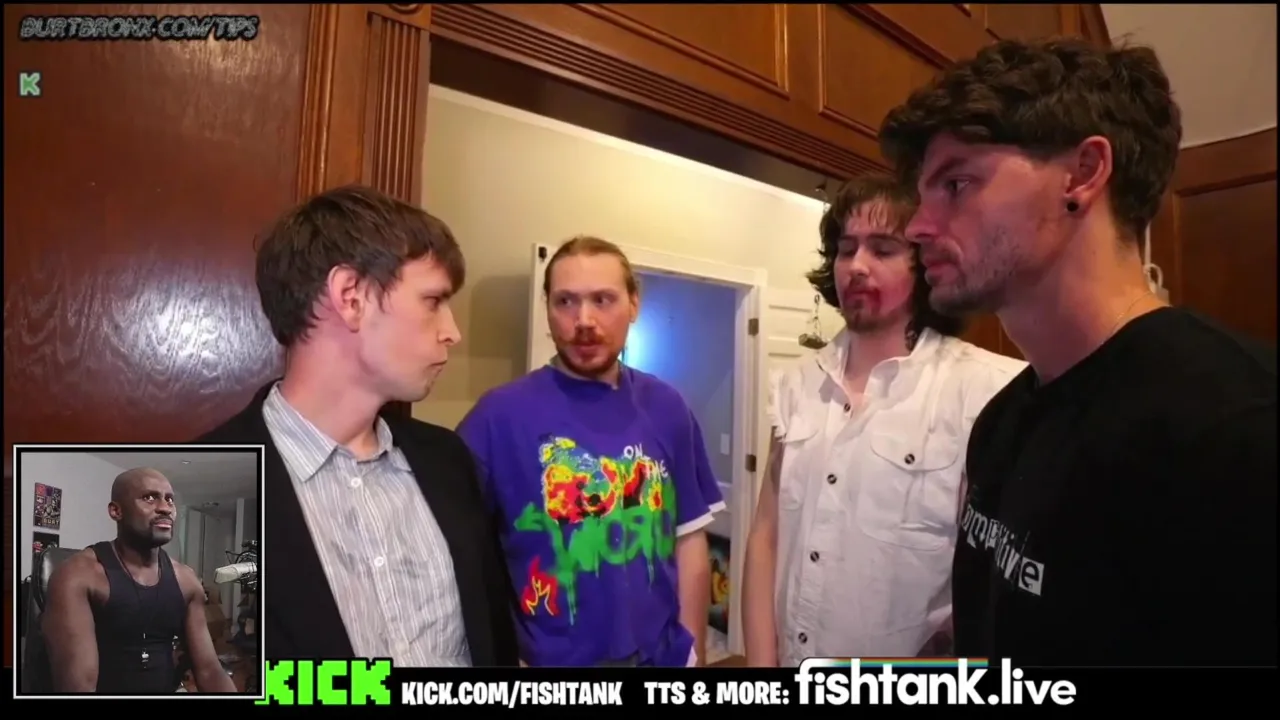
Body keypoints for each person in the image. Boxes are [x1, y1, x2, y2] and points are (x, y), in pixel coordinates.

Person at [880, 37, 1277, 666]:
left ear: (1083, 173)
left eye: (956, 183)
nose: (917, 227)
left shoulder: (1238, 429)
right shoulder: (1001, 422)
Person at [198, 185, 518, 666]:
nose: (452, 331)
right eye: (433, 300)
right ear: (351, 297)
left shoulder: (448, 461)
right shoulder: (215, 478)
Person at [741, 175, 1026, 667]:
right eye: (846, 249)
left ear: (924, 263)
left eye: (883, 249)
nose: (857, 266)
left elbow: (993, 580)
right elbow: (766, 534)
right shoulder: (794, 387)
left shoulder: (985, 392)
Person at [456, 236, 724, 667]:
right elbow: (459, 556)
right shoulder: (497, 416)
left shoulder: (667, 406)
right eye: (565, 301)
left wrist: (693, 653)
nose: (584, 320)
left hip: (661, 657)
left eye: (603, 299)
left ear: (633, 304)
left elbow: (689, 536)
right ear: (547, 309)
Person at [42, 468, 236, 693]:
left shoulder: (186, 580)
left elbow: (209, 670)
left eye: (169, 500)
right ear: (116, 511)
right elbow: (79, 687)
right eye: (149, 498)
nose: (165, 508)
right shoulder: (79, 575)